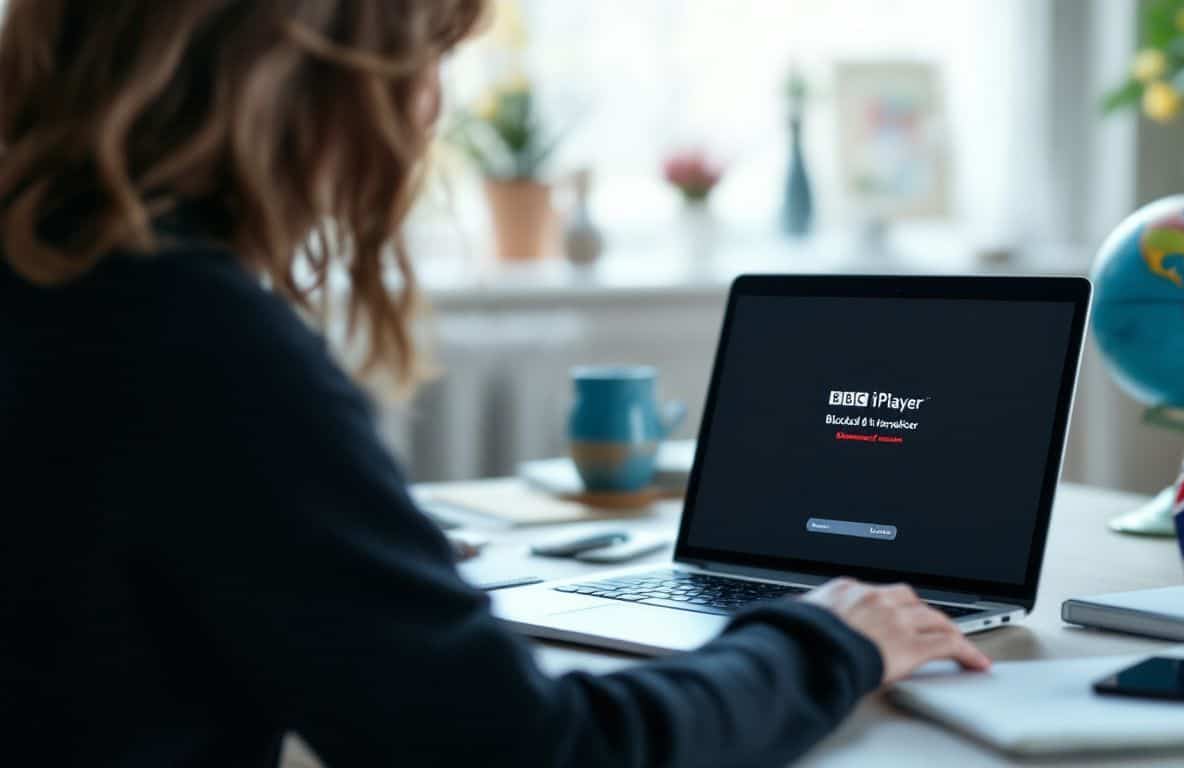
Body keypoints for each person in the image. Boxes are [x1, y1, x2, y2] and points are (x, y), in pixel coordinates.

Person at [0, 2, 991, 766]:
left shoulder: (58, 283)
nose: (430, 106)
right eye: (426, 57)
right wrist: (825, 638)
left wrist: (358, 545)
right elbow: (539, 751)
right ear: (311, 70)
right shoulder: (187, 335)